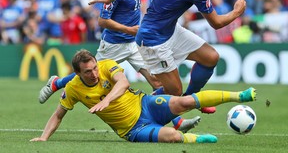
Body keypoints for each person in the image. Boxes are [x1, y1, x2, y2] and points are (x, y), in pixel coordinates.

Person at [38, 0, 197, 132]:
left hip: (133, 44)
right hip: (113, 45)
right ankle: (57, 83)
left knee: (157, 82)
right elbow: (102, 21)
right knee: (90, 73)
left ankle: (176, 121)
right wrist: (129, 29)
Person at [88, 0, 247, 113]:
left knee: (211, 57)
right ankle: (142, 109)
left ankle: (192, 98)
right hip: (152, 40)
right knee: (175, 92)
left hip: (170, 30)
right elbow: (216, 23)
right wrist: (237, 12)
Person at [30, 49, 256, 143]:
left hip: (145, 104)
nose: (94, 73)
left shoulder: (108, 65)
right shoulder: (74, 89)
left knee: (184, 100)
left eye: (94, 68)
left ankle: (240, 96)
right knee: (173, 137)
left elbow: (124, 82)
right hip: (133, 129)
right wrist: (44, 137)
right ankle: (198, 139)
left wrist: (107, 100)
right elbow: (58, 115)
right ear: (77, 73)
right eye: (87, 72)